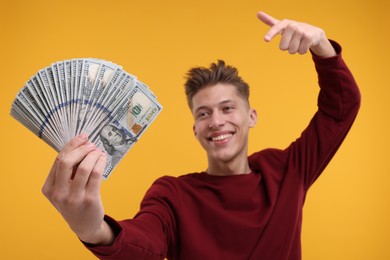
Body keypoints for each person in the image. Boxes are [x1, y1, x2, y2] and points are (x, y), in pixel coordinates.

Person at [42, 11, 361, 260]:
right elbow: (145, 244)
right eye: (204, 113)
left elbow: (340, 110)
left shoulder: (286, 172)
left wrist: (322, 47)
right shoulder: (174, 194)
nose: (216, 121)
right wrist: (94, 229)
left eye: (227, 108)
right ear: (195, 129)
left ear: (251, 117)